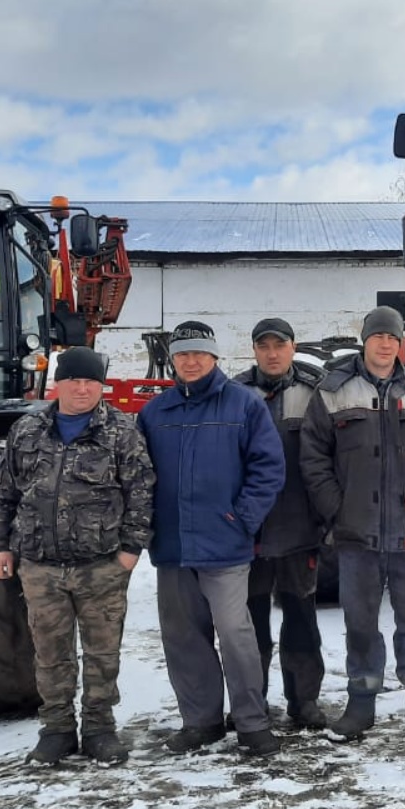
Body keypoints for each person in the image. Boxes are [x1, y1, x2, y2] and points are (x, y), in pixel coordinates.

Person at [0, 346, 154, 766]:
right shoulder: (27, 430)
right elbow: (5, 491)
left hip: (101, 565)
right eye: (74, 380)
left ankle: (99, 729)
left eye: (91, 382)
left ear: (101, 386)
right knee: (50, 653)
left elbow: (141, 492)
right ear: (57, 384)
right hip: (40, 565)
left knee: (102, 654)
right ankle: (56, 729)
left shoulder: (120, 431)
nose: (82, 389)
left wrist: (131, 549)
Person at [299, 307, 405, 741]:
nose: (385, 344)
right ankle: (360, 705)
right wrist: (336, 509)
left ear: (401, 343)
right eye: (378, 337)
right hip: (356, 534)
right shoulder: (333, 391)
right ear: (365, 341)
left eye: (392, 337)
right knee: (361, 623)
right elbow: (313, 456)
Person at [137, 320, 287, 757]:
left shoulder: (243, 404)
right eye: (183, 354)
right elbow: (138, 476)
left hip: (225, 545)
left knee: (235, 634)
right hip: (173, 546)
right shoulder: (155, 413)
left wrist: (241, 519)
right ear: (173, 360)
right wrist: (148, 526)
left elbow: (268, 468)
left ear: (215, 357)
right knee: (183, 637)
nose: (191, 361)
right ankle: (201, 721)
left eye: (199, 353)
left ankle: (252, 722)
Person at [231, 317, 330, 728]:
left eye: (279, 345)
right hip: (249, 533)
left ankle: (304, 701)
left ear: (293, 347)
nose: (272, 354)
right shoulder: (235, 393)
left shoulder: (315, 391)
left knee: (301, 620)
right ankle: (251, 703)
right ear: (254, 350)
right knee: (249, 625)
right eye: (264, 346)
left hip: (299, 529)